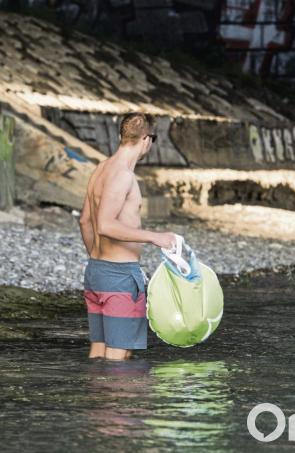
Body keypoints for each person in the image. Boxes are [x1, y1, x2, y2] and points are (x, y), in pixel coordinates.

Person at [78, 113, 177, 360]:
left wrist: (97, 258)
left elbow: (85, 221)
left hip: (97, 272)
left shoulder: (101, 168)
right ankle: (116, 400)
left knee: (98, 351)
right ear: (146, 139)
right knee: (118, 358)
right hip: (120, 277)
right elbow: (105, 225)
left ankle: (94, 398)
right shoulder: (123, 175)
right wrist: (154, 237)